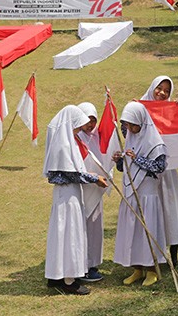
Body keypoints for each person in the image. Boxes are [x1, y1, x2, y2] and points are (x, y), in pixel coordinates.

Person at [43, 105, 108, 295]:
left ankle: (57, 275)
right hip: (67, 195)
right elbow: (70, 174)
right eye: (78, 127)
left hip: (68, 194)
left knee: (62, 235)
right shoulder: (63, 145)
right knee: (69, 235)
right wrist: (94, 178)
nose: (79, 130)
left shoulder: (67, 142)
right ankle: (69, 280)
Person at [112, 101, 167, 287]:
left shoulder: (155, 142)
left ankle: (151, 270)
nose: (130, 129)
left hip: (147, 195)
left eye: (132, 125)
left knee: (147, 231)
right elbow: (125, 168)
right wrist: (119, 160)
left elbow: (159, 167)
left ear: (141, 122)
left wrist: (138, 159)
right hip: (131, 192)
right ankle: (137, 268)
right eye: (127, 125)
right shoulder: (130, 138)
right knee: (133, 231)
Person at [141, 76, 178, 269]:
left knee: (171, 209)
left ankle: (173, 255)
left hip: (168, 170)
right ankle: (149, 254)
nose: (162, 93)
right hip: (146, 172)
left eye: (166, 91)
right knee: (150, 211)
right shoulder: (140, 109)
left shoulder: (171, 111)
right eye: (159, 88)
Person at [76, 102, 111, 283]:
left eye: (93, 121)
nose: (90, 125)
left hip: (96, 190)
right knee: (80, 228)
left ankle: (92, 264)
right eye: (87, 120)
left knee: (95, 229)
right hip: (81, 190)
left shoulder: (98, 136)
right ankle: (79, 265)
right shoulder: (76, 138)